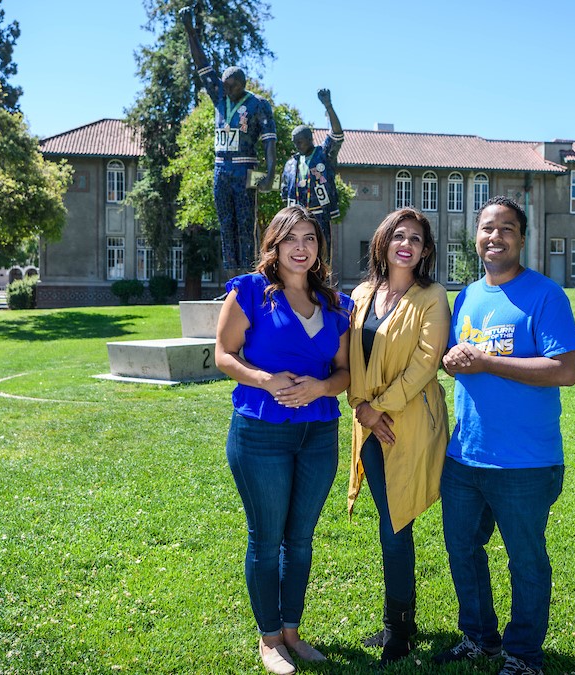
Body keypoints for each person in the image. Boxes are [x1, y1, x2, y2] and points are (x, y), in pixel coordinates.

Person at [435, 196, 575, 675]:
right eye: (486, 228)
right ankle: (480, 637)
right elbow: (463, 363)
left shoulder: (545, 295)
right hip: (465, 455)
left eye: (506, 229)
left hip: (525, 461)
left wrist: (485, 361)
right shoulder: (466, 297)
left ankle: (523, 655)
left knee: (526, 562)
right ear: (475, 237)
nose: (494, 237)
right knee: (462, 548)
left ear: (522, 238)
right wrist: (453, 362)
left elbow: (565, 370)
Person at [214, 205, 351, 675]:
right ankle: (269, 639)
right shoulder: (251, 292)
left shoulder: (335, 304)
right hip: (260, 433)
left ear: (319, 248)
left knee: (301, 539)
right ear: (273, 245)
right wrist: (265, 379)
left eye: (310, 239)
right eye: (291, 238)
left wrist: (319, 388)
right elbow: (223, 355)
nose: (301, 247)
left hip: (318, 434)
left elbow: (345, 373)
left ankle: (292, 630)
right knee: (267, 538)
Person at [345, 208, 450, 665]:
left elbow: (426, 364)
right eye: (398, 236)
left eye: (416, 239)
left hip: (407, 423)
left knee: (396, 524)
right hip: (369, 425)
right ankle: (398, 621)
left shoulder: (432, 297)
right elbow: (349, 358)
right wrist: (360, 409)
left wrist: (377, 408)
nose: (405, 244)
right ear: (383, 243)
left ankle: (399, 630)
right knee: (390, 524)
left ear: (425, 251)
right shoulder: (363, 293)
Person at [182, 7, 277, 270]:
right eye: (224, 85)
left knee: (245, 222)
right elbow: (202, 65)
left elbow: (270, 140)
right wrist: (191, 30)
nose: (226, 88)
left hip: (245, 168)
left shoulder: (259, 104)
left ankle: (249, 274)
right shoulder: (219, 99)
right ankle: (232, 278)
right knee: (225, 224)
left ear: (242, 84)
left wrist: (270, 173)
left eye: (231, 85)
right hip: (220, 169)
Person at [280, 90, 343, 247]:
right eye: (294, 142)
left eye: (300, 142)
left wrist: (328, 105)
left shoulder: (323, 154)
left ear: (310, 139)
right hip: (296, 217)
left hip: (319, 213)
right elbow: (283, 192)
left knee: (321, 251)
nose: (297, 146)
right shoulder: (290, 164)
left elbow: (337, 134)